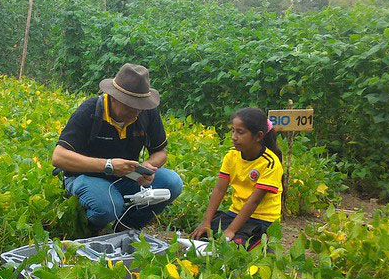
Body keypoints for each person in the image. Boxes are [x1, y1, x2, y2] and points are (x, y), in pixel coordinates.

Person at [52, 63, 183, 233]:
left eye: (140, 105)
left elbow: (160, 152)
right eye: (130, 105)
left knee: (172, 183)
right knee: (108, 206)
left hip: (128, 175)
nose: (136, 111)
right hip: (85, 176)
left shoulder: (146, 112)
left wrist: (147, 166)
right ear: (114, 97)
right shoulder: (90, 111)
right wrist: (109, 166)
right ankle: (90, 229)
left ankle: (127, 225)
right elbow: (59, 157)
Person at [190, 108, 283, 250]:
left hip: (262, 220)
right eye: (232, 130)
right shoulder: (232, 156)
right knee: (204, 234)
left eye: (240, 132)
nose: (234, 136)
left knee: (234, 246)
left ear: (258, 136)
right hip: (235, 213)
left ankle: (261, 243)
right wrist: (206, 221)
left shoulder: (270, 163)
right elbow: (220, 189)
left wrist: (231, 231)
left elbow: (254, 201)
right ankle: (242, 238)